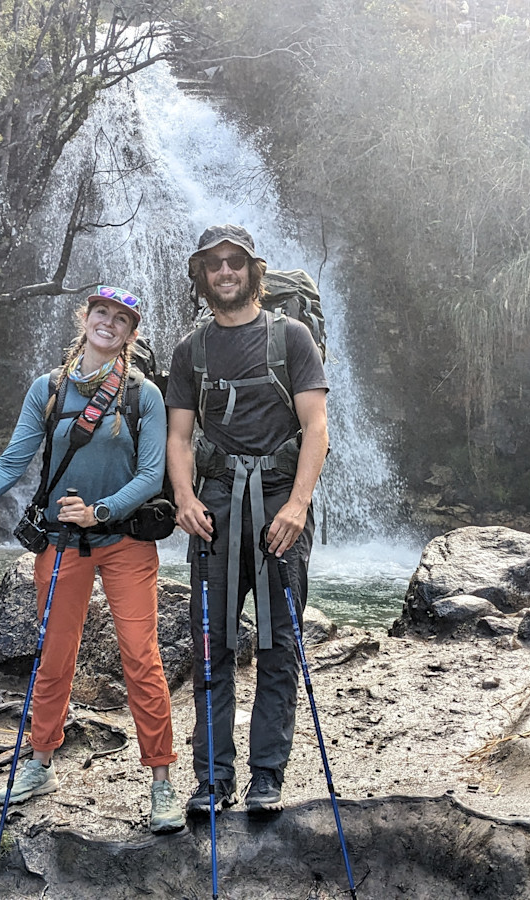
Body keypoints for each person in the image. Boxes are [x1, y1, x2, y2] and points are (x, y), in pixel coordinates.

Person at [0, 286, 184, 834]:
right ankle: (39, 762)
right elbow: (13, 462)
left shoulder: (143, 396)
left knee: (140, 656)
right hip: (61, 542)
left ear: (132, 333)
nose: (109, 323)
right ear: (84, 319)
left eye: (121, 319)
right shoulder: (49, 390)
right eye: (101, 312)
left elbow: (153, 475)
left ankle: (161, 780)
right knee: (53, 656)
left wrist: (101, 510)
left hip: (126, 540)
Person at [166, 225, 330, 816]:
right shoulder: (191, 352)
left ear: (252, 272)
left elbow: (316, 427)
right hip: (215, 508)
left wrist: (297, 505)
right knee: (211, 644)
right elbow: (179, 435)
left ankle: (267, 776)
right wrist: (184, 498)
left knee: (280, 642)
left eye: (235, 262)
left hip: (282, 501)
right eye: (214, 265)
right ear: (202, 277)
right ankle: (211, 779)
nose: (225, 272)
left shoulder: (292, 337)